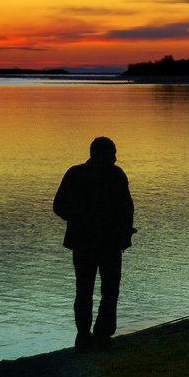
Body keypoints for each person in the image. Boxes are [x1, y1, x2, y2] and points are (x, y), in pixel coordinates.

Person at [53, 136, 135, 350]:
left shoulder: (76, 174)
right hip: (105, 243)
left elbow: (59, 207)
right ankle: (100, 333)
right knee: (106, 289)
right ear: (102, 154)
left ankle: (87, 333)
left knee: (86, 289)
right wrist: (122, 233)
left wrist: (79, 219)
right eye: (113, 153)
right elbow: (127, 210)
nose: (116, 158)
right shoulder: (113, 175)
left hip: (86, 242)